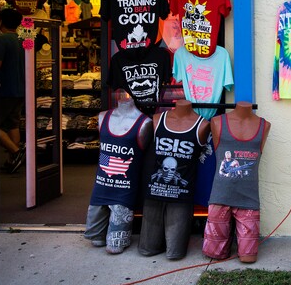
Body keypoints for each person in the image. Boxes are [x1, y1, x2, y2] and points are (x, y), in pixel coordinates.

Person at [138, 99, 210, 260]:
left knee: (175, 253)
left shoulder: (203, 125)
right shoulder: (157, 120)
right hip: (154, 191)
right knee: (146, 248)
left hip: (182, 195)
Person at [84, 90, 152, 254]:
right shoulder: (103, 117)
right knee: (96, 239)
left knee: (114, 247)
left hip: (124, 188)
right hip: (101, 185)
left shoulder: (145, 122)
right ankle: (101, 231)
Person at [203, 101, 271, 263]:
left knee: (249, 258)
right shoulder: (217, 122)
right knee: (215, 255)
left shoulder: (264, 126)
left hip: (249, 199)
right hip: (220, 197)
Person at [0, 8, 26, 173]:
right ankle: (13, 161)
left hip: (5, 90)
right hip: (21, 89)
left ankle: (16, 152)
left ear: (1, 21)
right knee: (12, 124)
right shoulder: (23, 39)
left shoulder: (2, 40)